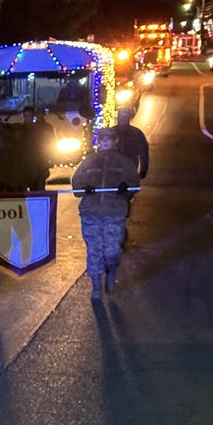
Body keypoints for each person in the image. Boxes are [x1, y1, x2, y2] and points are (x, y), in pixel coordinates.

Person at [70, 127, 138, 299]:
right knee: (94, 250)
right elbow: (76, 183)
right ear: (98, 142)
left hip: (114, 213)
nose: (104, 142)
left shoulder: (124, 162)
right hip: (91, 213)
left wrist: (126, 189)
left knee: (112, 250)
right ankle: (96, 286)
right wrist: (84, 189)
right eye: (102, 140)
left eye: (108, 139)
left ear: (114, 141)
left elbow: (133, 183)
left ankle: (112, 272)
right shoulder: (89, 161)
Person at [112, 106, 149, 180]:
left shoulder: (136, 133)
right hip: (113, 167)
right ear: (118, 117)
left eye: (125, 116)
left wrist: (143, 170)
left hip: (130, 166)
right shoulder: (111, 132)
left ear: (128, 118)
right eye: (121, 116)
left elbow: (143, 152)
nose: (123, 119)